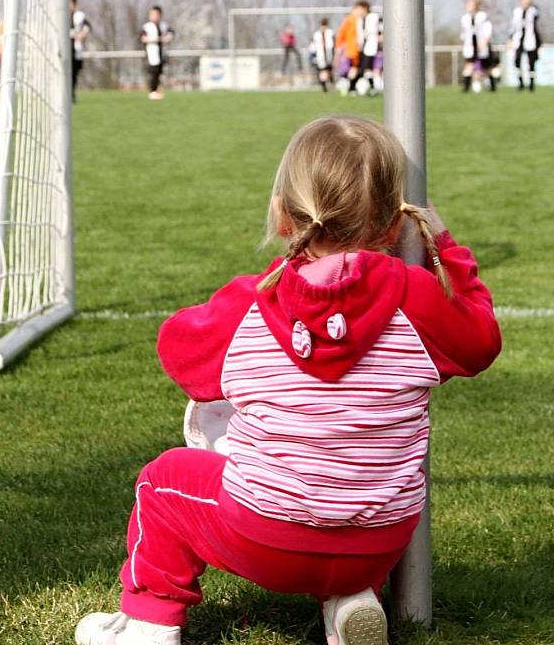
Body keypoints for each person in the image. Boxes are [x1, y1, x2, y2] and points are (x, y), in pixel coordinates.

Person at [74, 115, 501, 645]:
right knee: (341, 473)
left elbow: (179, 353)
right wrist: (446, 248)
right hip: (381, 543)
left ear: (283, 215)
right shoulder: (421, 302)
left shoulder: (252, 303)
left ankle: (148, 622)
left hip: (266, 539)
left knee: (162, 482)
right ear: (396, 226)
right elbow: (482, 338)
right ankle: (348, 600)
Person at [460, 0, 497, 93]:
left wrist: (485, 41)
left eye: (471, 5)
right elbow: (464, 33)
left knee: (487, 67)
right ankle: (466, 88)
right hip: (471, 46)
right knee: (469, 65)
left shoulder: (482, 16)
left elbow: (488, 29)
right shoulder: (465, 18)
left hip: (482, 45)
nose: (469, 7)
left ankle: (492, 86)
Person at [509, 0, 542, 92]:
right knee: (517, 61)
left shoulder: (533, 11)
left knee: (531, 62)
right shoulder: (517, 12)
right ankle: (521, 83)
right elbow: (513, 26)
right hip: (518, 39)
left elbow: (537, 16)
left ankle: (531, 84)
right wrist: (510, 38)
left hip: (530, 40)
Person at [334, 0, 369, 95]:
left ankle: (349, 87)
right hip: (352, 49)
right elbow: (341, 34)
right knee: (353, 68)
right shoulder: (351, 19)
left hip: (356, 48)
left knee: (355, 69)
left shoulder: (358, 19)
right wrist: (339, 48)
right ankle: (349, 87)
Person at [140, 6, 174, 100]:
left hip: (162, 53)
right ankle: (152, 91)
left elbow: (171, 33)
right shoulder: (147, 26)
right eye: (152, 14)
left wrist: (168, 38)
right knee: (153, 72)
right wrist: (156, 39)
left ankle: (158, 91)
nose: (154, 16)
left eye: (156, 14)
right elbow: (142, 38)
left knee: (160, 72)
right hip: (152, 53)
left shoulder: (164, 25)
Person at [70, 0, 91, 102]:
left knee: (74, 73)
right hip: (65, 49)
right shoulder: (60, 16)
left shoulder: (80, 16)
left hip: (76, 48)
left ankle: (71, 95)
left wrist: (82, 35)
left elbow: (87, 27)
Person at [358, 5, 382, 95]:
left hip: (373, 47)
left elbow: (380, 26)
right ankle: (372, 87)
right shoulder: (361, 20)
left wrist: (380, 36)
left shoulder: (373, 17)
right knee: (366, 69)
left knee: (374, 69)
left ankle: (374, 87)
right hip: (367, 47)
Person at [308, 18, 335, 92]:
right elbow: (312, 47)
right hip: (320, 58)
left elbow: (334, 45)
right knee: (322, 72)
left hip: (330, 57)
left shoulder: (330, 33)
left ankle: (331, 83)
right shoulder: (316, 35)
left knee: (328, 72)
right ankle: (324, 88)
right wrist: (312, 57)